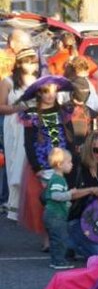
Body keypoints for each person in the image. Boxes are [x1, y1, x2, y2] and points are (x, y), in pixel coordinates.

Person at [20, 77, 76, 246]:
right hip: (43, 165)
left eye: (53, 90)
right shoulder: (32, 115)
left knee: (64, 200)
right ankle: (47, 238)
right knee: (46, 203)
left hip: (63, 163)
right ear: (39, 93)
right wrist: (36, 167)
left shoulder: (63, 112)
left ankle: (62, 237)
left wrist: (72, 159)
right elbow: (28, 142)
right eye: (45, 91)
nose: (50, 95)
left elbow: (71, 138)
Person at [43, 148, 98, 269]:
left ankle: (56, 260)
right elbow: (55, 195)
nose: (72, 164)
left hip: (55, 214)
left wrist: (67, 200)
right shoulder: (58, 179)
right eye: (69, 162)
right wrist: (69, 194)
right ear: (59, 164)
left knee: (56, 238)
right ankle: (59, 261)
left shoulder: (58, 178)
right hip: (55, 215)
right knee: (59, 238)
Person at [0, 47, 39, 220]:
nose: (31, 66)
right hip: (14, 125)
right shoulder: (8, 81)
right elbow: (1, 107)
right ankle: (15, 207)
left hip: (33, 125)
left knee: (30, 163)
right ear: (19, 63)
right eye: (28, 62)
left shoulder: (38, 80)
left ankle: (31, 207)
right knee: (14, 163)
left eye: (34, 62)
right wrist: (19, 107)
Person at [67, 130, 98, 259]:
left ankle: (72, 245)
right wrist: (91, 190)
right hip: (77, 218)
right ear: (89, 149)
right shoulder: (76, 165)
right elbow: (68, 194)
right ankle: (70, 243)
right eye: (97, 150)